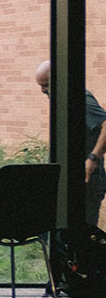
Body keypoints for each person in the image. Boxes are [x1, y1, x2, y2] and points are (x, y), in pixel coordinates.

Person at [35, 60, 106, 229]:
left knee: (83, 237)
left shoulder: (79, 97)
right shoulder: (63, 99)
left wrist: (91, 160)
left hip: (85, 180)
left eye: (46, 85)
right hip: (67, 178)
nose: (43, 90)